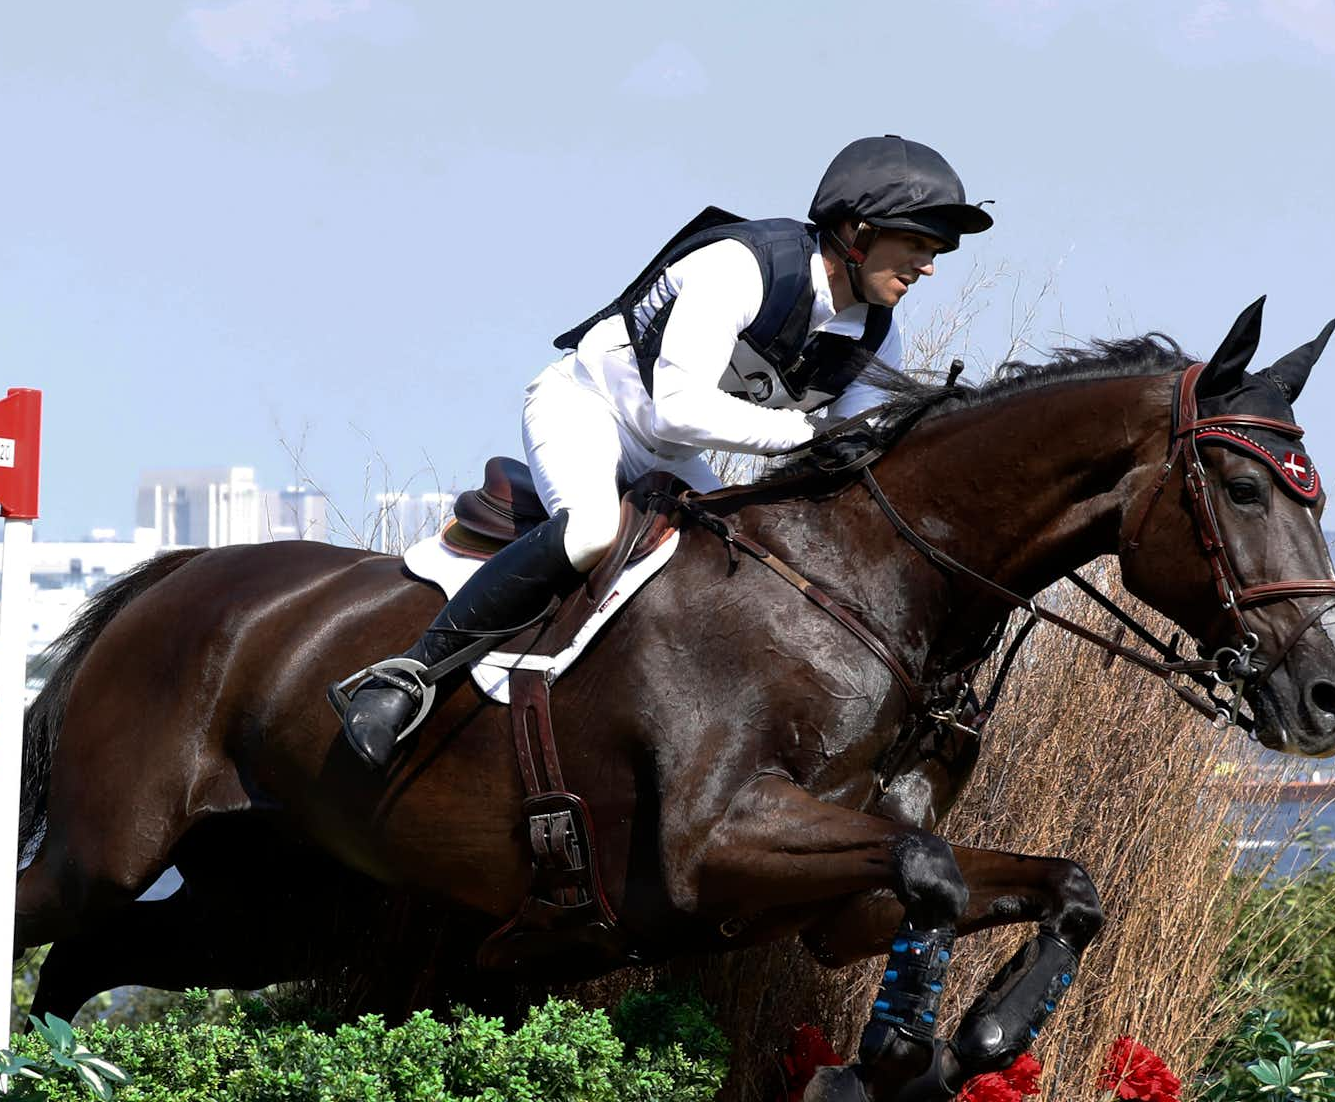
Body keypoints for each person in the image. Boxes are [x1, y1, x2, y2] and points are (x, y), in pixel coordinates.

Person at [329, 135, 993, 769]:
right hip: (591, 409)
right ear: (859, 231)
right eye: (917, 244)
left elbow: (853, 458)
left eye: (936, 250)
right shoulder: (745, 266)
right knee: (590, 532)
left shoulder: (875, 334)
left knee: (745, 571)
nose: (928, 266)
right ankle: (404, 677)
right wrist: (806, 437)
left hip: (669, 458)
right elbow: (678, 404)